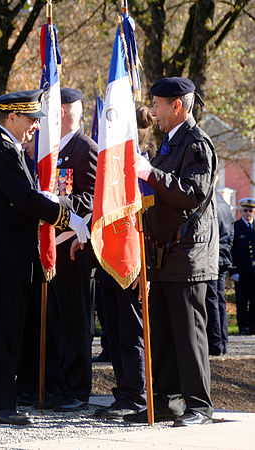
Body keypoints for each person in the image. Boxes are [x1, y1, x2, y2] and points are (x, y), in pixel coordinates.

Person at [0, 89, 90, 426]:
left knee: (3, 332)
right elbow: (23, 198)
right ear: (11, 118)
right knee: (2, 334)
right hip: (3, 257)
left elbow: (25, 197)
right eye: (31, 119)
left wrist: (50, 204)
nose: (36, 126)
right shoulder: (2, 149)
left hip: (3, 257)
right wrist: (67, 216)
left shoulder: (2, 147)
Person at [125, 77, 218, 427]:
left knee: (188, 332)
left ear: (177, 106)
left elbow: (193, 193)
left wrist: (150, 173)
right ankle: (167, 400)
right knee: (162, 330)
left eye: (158, 104)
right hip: (164, 251)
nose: (153, 111)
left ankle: (199, 406)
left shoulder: (197, 144)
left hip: (188, 253)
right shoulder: (170, 143)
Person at [93, 105, 155, 419]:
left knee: (131, 334)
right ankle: (124, 392)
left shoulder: (144, 167)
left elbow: (150, 223)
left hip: (133, 260)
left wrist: (146, 271)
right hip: (111, 258)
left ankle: (137, 395)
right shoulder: (114, 164)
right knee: (116, 333)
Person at [47, 88, 97, 412]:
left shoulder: (85, 149)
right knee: (57, 325)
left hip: (75, 252)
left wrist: (54, 204)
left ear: (63, 112)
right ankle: (58, 385)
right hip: (52, 253)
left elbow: (92, 200)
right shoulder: (51, 151)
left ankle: (77, 391)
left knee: (77, 326)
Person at [205, 189, 233, 354]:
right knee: (219, 299)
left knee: (211, 299)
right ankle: (223, 339)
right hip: (223, 255)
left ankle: (215, 343)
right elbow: (231, 233)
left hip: (212, 255)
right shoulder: (224, 203)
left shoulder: (209, 200)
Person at [230, 197, 255, 335]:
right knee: (242, 301)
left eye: (251, 210)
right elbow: (232, 250)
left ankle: (253, 326)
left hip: (254, 272)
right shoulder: (235, 227)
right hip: (241, 272)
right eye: (245, 210)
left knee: (254, 301)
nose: (248, 213)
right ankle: (243, 327)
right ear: (241, 211)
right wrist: (233, 270)